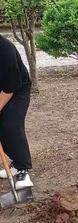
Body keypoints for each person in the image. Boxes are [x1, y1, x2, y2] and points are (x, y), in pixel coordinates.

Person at [0, 34, 34, 189]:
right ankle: (14, 163)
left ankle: (22, 169)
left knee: (10, 124)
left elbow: (10, 88)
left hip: (17, 88)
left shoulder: (5, 49)